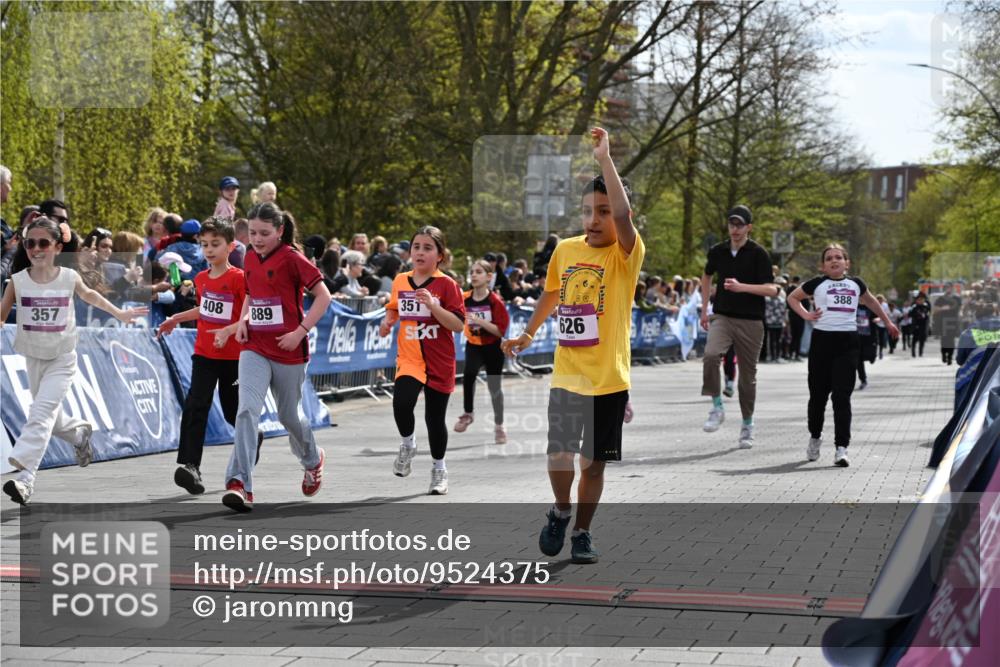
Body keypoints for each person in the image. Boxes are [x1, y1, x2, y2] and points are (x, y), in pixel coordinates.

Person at [502, 127, 643, 565]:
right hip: (568, 373)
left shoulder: (626, 254)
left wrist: (605, 159)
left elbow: (624, 218)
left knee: (593, 464)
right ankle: (561, 510)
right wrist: (528, 333)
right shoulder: (564, 250)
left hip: (609, 378)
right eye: (586, 211)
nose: (593, 219)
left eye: (603, 211)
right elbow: (551, 293)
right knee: (559, 453)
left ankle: (582, 531)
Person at [1, 217, 146, 504]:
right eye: (30, 243)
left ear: (57, 247)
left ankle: (25, 478)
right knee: (51, 420)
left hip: (62, 358)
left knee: (41, 412)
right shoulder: (17, 281)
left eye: (43, 243)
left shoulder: (68, 277)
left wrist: (120, 313)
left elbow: (91, 296)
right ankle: (79, 435)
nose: (36, 249)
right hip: (33, 357)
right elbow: (2, 316)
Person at [221, 203, 332, 512]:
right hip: (254, 346)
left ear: (280, 231)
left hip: (289, 349)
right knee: (247, 410)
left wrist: (300, 331)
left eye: (264, 233)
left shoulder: (292, 258)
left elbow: (324, 296)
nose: (257, 239)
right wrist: (243, 321)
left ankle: (312, 459)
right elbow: (251, 294)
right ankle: (239, 483)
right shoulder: (248, 255)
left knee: (288, 416)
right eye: (252, 232)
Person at [157, 219, 252, 495]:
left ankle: (251, 438)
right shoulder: (200, 279)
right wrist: (175, 318)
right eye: (204, 245)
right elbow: (205, 310)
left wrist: (230, 331)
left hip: (233, 357)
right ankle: (190, 466)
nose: (209, 250)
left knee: (233, 411)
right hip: (204, 354)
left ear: (230, 246)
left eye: (215, 244)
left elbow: (248, 312)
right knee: (195, 405)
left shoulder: (238, 278)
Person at [787, 244, 898, 467]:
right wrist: (806, 315)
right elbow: (792, 298)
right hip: (822, 341)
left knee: (841, 396)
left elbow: (871, 301)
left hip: (847, 342)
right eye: (829, 258)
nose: (834, 260)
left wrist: (887, 322)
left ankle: (841, 448)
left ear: (847, 263)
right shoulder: (817, 283)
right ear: (823, 265)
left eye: (838, 257)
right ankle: (815, 436)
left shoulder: (856, 284)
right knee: (818, 397)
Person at [379, 226, 465, 494]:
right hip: (410, 358)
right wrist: (387, 322)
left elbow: (458, 325)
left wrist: (433, 306)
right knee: (402, 403)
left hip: (439, 360)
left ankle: (439, 470)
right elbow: (394, 308)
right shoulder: (401, 280)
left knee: (434, 419)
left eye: (428, 248)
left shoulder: (447, 285)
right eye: (416, 247)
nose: (420, 252)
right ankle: (408, 444)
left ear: (439, 255)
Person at [699, 204, 777, 449]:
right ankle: (717, 407)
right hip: (723, 316)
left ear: (748, 227)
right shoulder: (718, 251)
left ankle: (747, 424)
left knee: (747, 378)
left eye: (740, 225)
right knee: (711, 355)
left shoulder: (759, 253)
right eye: (732, 224)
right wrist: (704, 308)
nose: (735, 229)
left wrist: (742, 287)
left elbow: (772, 290)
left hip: (751, 321)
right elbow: (706, 276)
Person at [454, 259, 510, 444]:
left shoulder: (495, 301)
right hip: (474, 344)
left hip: (493, 346)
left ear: (488, 277)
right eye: (472, 272)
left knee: (494, 387)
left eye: (478, 272)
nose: (474, 275)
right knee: (469, 374)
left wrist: (480, 321)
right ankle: (468, 413)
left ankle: (499, 425)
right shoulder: (464, 298)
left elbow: (500, 331)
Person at [762, 277, 787, 362]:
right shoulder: (782, 300)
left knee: (771, 340)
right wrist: (784, 321)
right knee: (778, 340)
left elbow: (766, 311)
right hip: (779, 322)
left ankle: (772, 356)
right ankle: (777, 356)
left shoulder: (767, 300)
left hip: (770, 322)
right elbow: (783, 312)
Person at [910, 293, 931, 357]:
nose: (920, 301)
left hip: (923, 325)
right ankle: (913, 352)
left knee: (922, 339)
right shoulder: (914, 307)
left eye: (922, 299)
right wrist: (917, 315)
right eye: (919, 300)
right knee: (914, 339)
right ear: (917, 300)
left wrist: (925, 315)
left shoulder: (926, 307)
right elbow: (910, 314)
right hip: (916, 325)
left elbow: (928, 313)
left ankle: (920, 352)